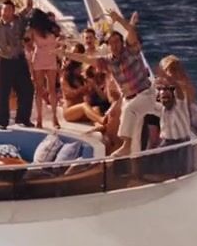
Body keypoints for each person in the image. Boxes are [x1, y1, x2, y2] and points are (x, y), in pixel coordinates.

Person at [64, 11, 155, 156]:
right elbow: (85, 59)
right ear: (108, 45)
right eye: (111, 43)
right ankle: (130, 156)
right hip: (129, 98)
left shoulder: (130, 51)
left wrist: (119, 19)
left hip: (145, 94)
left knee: (128, 110)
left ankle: (126, 145)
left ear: (122, 42)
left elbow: (131, 31)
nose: (115, 45)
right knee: (126, 124)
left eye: (117, 42)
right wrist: (64, 54)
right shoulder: (108, 61)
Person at [0, 0, 36, 128]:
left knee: (27, 89)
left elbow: (29, 6)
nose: (6, 13)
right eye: (4, 10)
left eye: (9, 10)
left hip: (18, 59)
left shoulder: (19, 20)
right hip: (4, 60)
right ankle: (1, 122)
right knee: (2, 92)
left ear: (13, 11)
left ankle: (23, 119)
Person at [27, 9, 63, 129]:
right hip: (40, 58)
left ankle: (54, 117)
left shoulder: (51, 27)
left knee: (51, 89)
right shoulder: (33, 29)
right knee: (39, 90)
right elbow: (28, 43)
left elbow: (59, 39)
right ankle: (39, 119)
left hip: (49, 58)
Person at [153, 81, 195, 148]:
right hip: (166, 143)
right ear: (159, 99)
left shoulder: (180, 106)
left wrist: (170, 80)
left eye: (168, 97)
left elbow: (181, 93)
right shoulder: (161, 108)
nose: (166, 100)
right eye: (163, 98)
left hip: (182, 143)